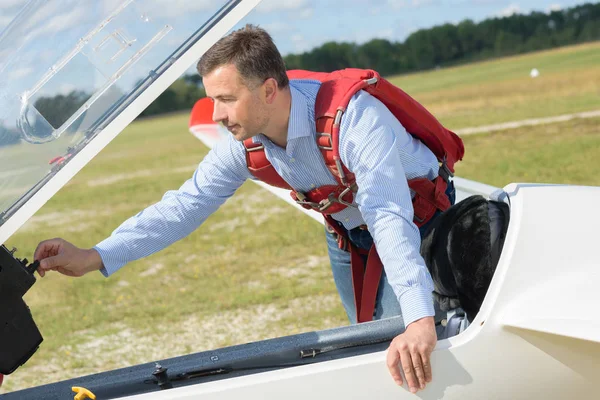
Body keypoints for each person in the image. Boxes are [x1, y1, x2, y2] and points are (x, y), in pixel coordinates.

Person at [34, 24, 457, 393]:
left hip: (420, 220)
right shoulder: (245, 142)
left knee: (413, 345)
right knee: (367, 346)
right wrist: (96, 256)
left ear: (268, 90)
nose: (216, 114)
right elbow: (186, 205)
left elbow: (388, 213)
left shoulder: (354, 120)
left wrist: (418, 317)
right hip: (349, 234)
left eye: (226, 99)